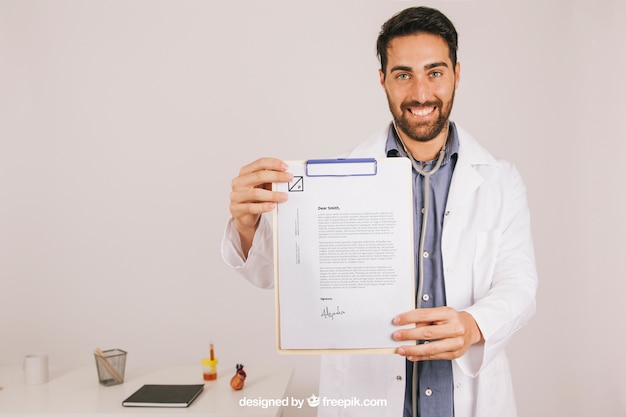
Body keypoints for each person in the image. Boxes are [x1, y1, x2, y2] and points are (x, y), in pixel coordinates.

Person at [221, 6, 537, 417]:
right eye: (403, 74)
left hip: (466, 401)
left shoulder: (501, 180)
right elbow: (277, 277)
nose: (421, 93)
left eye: (435, 72)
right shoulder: (330, 182)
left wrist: (474, 325)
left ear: (457, 74)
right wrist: (248, 225)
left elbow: (520, 284)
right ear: (383, 80)